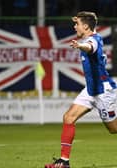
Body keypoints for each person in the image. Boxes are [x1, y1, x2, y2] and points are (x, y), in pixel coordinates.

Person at [45, 11, 117, 168]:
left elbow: (90, 47)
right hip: (91, 90)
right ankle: (64, 161)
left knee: (114, 129)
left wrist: (80, 46)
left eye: (77, 24)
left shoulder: (94, 40)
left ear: (85, 26)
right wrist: (81, 44)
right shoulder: (87, 39)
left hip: (103, 91)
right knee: (68, 117)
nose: (74, 26)